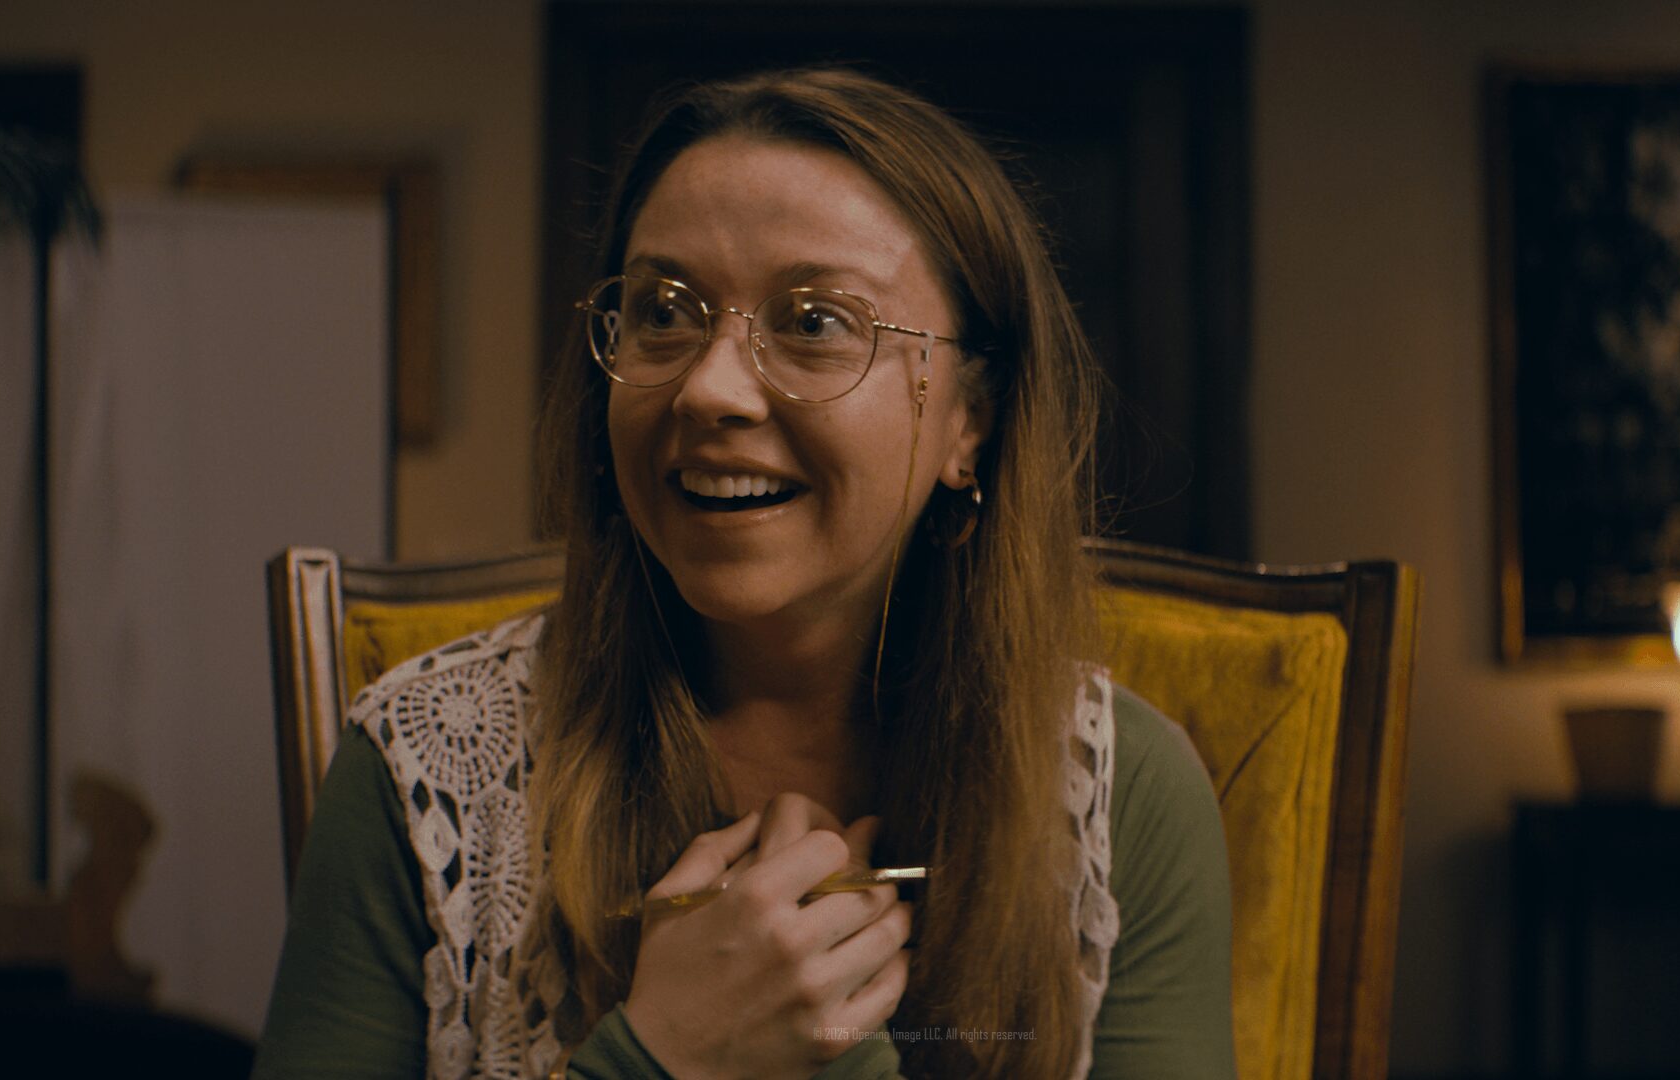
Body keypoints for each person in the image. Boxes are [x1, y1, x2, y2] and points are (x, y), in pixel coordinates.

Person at [252, 67, 1234, 1080]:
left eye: (814, 323)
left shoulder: (1120, 797)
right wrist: (658, 1057)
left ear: (969, 422)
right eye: (662, 312)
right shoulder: (423, 771)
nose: (709, 387)